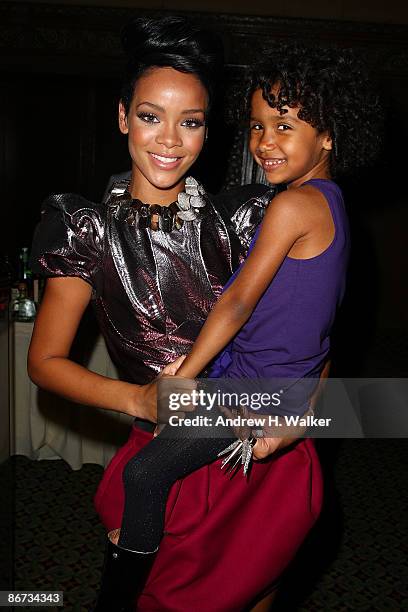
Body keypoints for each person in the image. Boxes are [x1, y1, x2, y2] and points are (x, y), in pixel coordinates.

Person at [93, 43, 382, 610]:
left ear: (329, 135)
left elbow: (238, 305)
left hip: (250, 393)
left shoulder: (293, 206)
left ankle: (118, 598)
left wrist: (186, 378)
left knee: (144, 478)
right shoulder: (331, 203)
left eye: (284, 125)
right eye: (255, 126)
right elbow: (322, 328)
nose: (264, 143)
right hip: (268, 386)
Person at [27, 15, 276, 612]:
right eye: (149, 116)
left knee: (256, 586)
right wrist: (137, 399)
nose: (169, 139)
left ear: (207, 132)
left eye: (189, 122)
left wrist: (299, 411)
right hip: (163, 450)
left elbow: (310, 330)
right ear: (122, 117)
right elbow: (45, 362)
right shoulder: (85, 231)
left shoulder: (244, 221)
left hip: (250, 439)